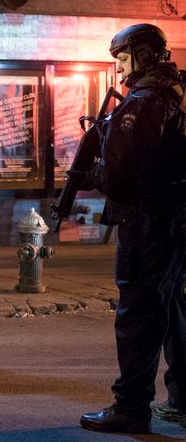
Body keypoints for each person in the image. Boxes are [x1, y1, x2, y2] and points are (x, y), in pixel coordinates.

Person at [78, 24, 186, 435]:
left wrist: (92, 171)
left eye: (123, 59)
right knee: (172, 308)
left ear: (141, 55)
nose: (120, 68)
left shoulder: (145, 100)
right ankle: (181, 399)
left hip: (148, 223)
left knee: (138, 314)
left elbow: (120, 171)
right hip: (174, 220)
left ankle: (130, 407)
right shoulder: (176, 93)